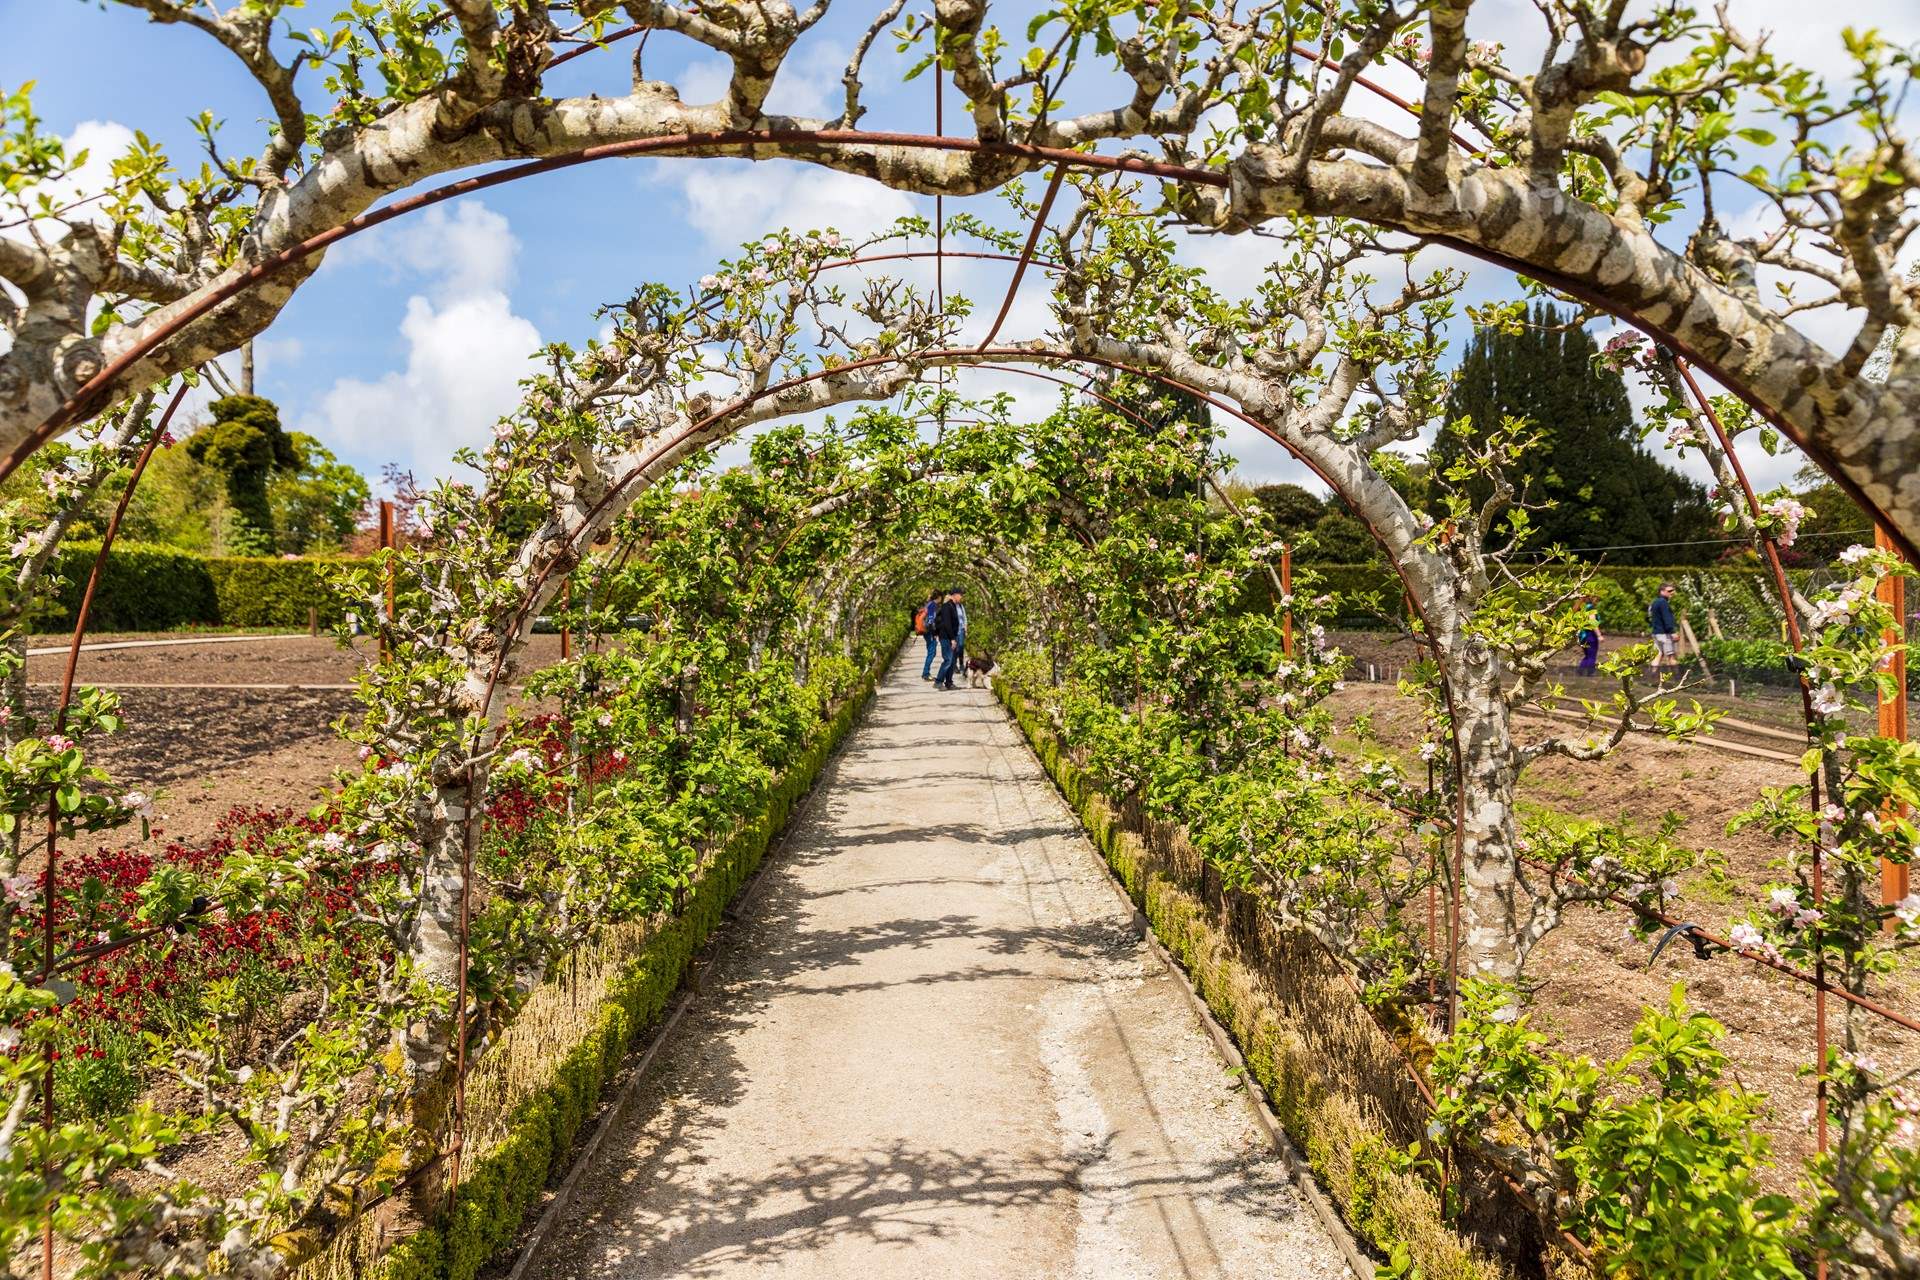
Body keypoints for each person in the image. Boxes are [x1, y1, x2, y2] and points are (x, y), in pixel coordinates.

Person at [933, 587, 962, 690]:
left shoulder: (953, 606)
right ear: (955, 595)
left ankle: (949, 682)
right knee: (948, 660)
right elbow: (947, 624)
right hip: (946, 637)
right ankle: (938, 681)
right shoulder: (946, 606)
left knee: (953, 661)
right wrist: (952, 639)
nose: (961, 597)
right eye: (960, 595)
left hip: (953, 636)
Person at [1648, 581, 1679, 675]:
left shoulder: (1654, 602)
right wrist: (1672, 631)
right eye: (1669, 591)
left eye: (1673, 590)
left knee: (1658, 655)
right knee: (1671, 656)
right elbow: (1667, 618)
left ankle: (1651, 676)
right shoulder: (1663, 603)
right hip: (1665, 634)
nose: (1672, 593)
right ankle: (1678, 678)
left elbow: (1648, 616)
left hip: (1656, 633)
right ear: (1662, 591)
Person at [1575, 595, 1603, 676]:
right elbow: (1593, 622)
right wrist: (1599, 635)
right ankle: (1590, 674)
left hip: (1582, 636)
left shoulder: (1581, 608)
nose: (1597, 602)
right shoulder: (1590, 608)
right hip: (1590, 635)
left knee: (1587, 656)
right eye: (1597, 600)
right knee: (1591, 656)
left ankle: (1580, 672)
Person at [919, 589, 942, 680]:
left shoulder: (929, 604)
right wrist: (934, 631)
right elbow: (931, 620)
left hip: (927, 632)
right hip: (929, 632)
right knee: (931, 652)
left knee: (931, 652)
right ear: (939, 597)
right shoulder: (932, 605)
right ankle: (925, 673)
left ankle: (926, 673)